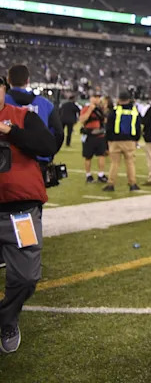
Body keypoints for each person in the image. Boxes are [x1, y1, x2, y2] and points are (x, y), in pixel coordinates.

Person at [0, 77, 58, 354]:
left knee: (26, 278)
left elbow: (47, 146)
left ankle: (7, 319)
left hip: (19, 211)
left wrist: (9, 132)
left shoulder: (22, 117)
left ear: (4, 89)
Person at [5, 65, 64, 164]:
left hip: (6, 160)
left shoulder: (2, 101)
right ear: (28, 81)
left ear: (8, 80)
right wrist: (49, 154)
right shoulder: (45, 104)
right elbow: (58, 133)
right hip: (38, 161)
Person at [103, 90, 142, 192]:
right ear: (129, 100)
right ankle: (132, 184)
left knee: (114, 163)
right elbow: (138, 127)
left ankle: (111, 184)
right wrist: (136, 139)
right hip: (130, 140)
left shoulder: (115, 111)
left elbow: (108, 127)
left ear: (119, 100)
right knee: (130, 163)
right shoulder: (134, 111)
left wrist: (109, 140)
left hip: (115, 141)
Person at [77, 93, 109, 183]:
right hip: (89, 135)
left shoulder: (101, 109)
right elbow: (82, 119)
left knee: (102, 155)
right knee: (88, 156)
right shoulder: (86, 108)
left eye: (98, 97)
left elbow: (105, 120)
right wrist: (90, 110)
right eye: (95, 97)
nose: (97, 99)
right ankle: (88, 175)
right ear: (91, 98)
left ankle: (101, 174)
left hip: (100, 135)